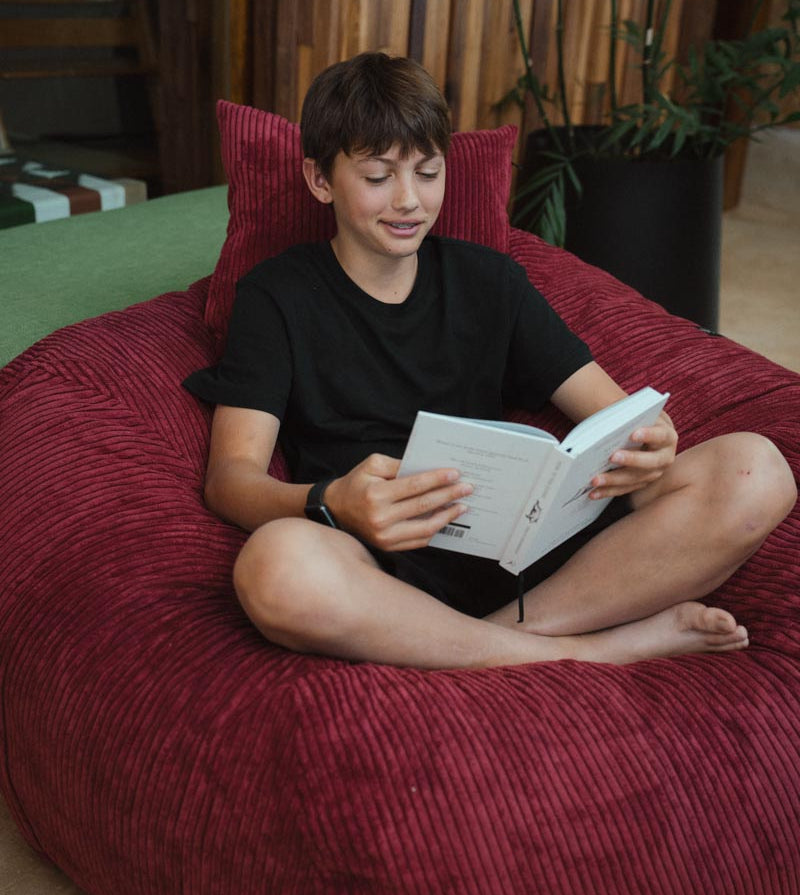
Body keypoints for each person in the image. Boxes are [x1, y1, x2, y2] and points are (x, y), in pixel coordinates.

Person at [184, 51, 796, 670]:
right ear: (320, 179)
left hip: (530, 552)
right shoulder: (275, 296)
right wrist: (332, 501)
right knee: (275, 567)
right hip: (383, 560)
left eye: (428, 172)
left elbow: (616, 412)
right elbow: (230, 480)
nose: (408, 201)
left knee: (756, 470)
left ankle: (504, 643)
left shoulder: (489, 280)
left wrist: (651, 440)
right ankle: (594, 651)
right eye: (377, 177)